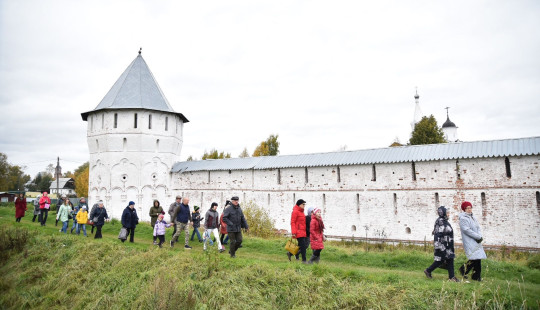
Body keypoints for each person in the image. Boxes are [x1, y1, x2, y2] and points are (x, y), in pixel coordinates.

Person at [424, 206, 460, 282]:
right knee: (440, 260)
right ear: (442, 213)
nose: (449, 214)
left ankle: (451, 277)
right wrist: (440, 246)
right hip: (443, 246)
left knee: (450, 259)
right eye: (447, 212)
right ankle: (428, 270)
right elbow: (437, 235)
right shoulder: (440, 221)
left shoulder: (444, 220)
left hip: (448, 245)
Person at [458, 201, 487, 281]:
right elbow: (467, 230)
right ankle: (465, 270)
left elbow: (478, 228)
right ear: (464, 209)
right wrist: (477, 237)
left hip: (476, 240)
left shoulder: (473, 217)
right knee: (475, 258)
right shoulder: (463, 219)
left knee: (478, 258)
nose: (469, 209)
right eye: (467, 208)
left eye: (470, 208)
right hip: (470, 240)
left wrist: (480, 236)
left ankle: (475, 276)